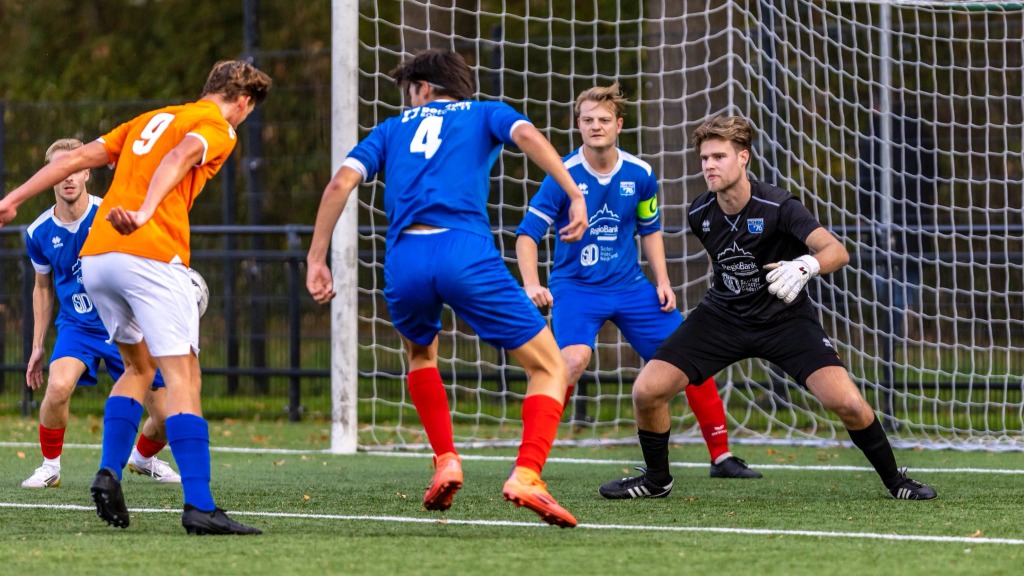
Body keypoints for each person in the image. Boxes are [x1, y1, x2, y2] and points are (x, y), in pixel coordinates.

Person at [306, 49, 588, 527]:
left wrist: (317, 258)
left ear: (422, 88)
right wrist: (574, 191)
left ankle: (446, 459)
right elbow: (528, 137)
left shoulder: (392, 129)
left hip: (404, 259)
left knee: (421, 355)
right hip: (464, 252)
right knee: (551, 367)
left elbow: (339, 185)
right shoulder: (485, 112)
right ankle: (527, 474)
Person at [598, 115, 937, 501]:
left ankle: (897, 481)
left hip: (785, 319)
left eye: (719, 156)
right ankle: (657, 482)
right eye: (704, 157)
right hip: (722, 318)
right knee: (647, 390)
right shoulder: (700, 212)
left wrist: (804, 265)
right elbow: (720, 261)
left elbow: (836, 251)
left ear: (743, 158)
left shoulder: (778, 205)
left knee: (847, 403)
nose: (709, 165)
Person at [0, 60, 272, 534]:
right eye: (247, 110)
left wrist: (13, 199)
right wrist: (147, 211)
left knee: (138, 368)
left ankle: (108, 473)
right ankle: (201, 507)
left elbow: (70, 160)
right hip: (149, 253)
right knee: (184, 378)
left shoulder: (150, 118)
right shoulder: (217, 127)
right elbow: (180, 157)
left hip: (99, 256)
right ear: (243, 102)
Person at [515, 84, 761, 488]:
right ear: (578, 125)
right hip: (576, 288)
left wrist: (663, 281)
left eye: (604, 120)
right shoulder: (562, 175)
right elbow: (527, 236)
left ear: (619, 125)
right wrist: (530, 283)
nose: (596, 126)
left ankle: (722, 455)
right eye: (588, 120)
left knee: (689, 355)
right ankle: (528, 462)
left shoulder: (640, 173)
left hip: (631, 287)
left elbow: (650, 230)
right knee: (572, 361)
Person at [21, 138, 180, 489]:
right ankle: (50, 466)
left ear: (87, 173)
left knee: (169, 418)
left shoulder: (112, 213)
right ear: (50, 177)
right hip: (78, 327)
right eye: (61, 170)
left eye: (76, 168)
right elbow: (43, 288)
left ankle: (143, 457)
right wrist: (37, 346)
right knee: (59, 386)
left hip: (126, 324)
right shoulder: (38, 232)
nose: (69, 177)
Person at [858, 91, 936, 429]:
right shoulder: (876, 135)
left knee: (898, 291)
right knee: (890, 293)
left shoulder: (908, 132)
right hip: (891, 229)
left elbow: (931, 174)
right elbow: (863, 182)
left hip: (906, 228)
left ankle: (897, 325)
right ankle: (893, 328)